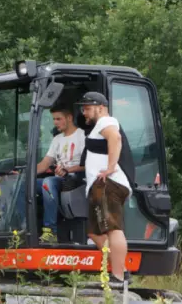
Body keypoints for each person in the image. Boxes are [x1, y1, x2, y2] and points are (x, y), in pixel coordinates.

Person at [78, 91, 135, 284]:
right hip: (98, 185)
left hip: (109, 184)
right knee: (94, 232)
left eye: (87, 108)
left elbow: (115, 138)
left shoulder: (106, 122)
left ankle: (118, 276)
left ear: (100, 107)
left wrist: (111, 167)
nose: (84, 112)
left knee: (113, 229)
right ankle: (122, 269)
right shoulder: (97, 127)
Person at [35, 105, 85, 243]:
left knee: (47, 183)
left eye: (58, 119)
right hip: (58, 180)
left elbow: (88, 165)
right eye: (53, 119)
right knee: (24, 184)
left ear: (69, 118)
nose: (55, 122)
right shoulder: (57, 139)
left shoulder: (82, 136)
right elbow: (44, 164)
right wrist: (24, 174)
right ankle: (21, 226)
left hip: (75, 179)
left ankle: (51, 231)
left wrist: (68, 170)